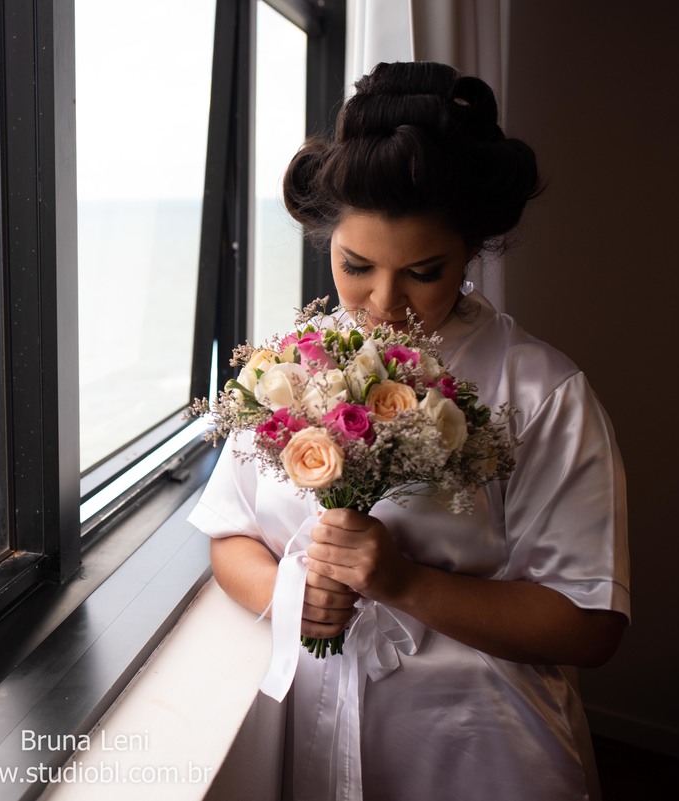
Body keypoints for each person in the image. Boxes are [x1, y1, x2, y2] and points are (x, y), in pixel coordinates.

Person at [187, 61, 629, 801]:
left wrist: (402, 581)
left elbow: (589, 624)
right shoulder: (288, 372)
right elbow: (229, 532)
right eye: (355, 265)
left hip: (476, 753)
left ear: (471, 252)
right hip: (317, 735)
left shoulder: (542, 393)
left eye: (425, 271)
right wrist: (293, 592)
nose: (384, 303)